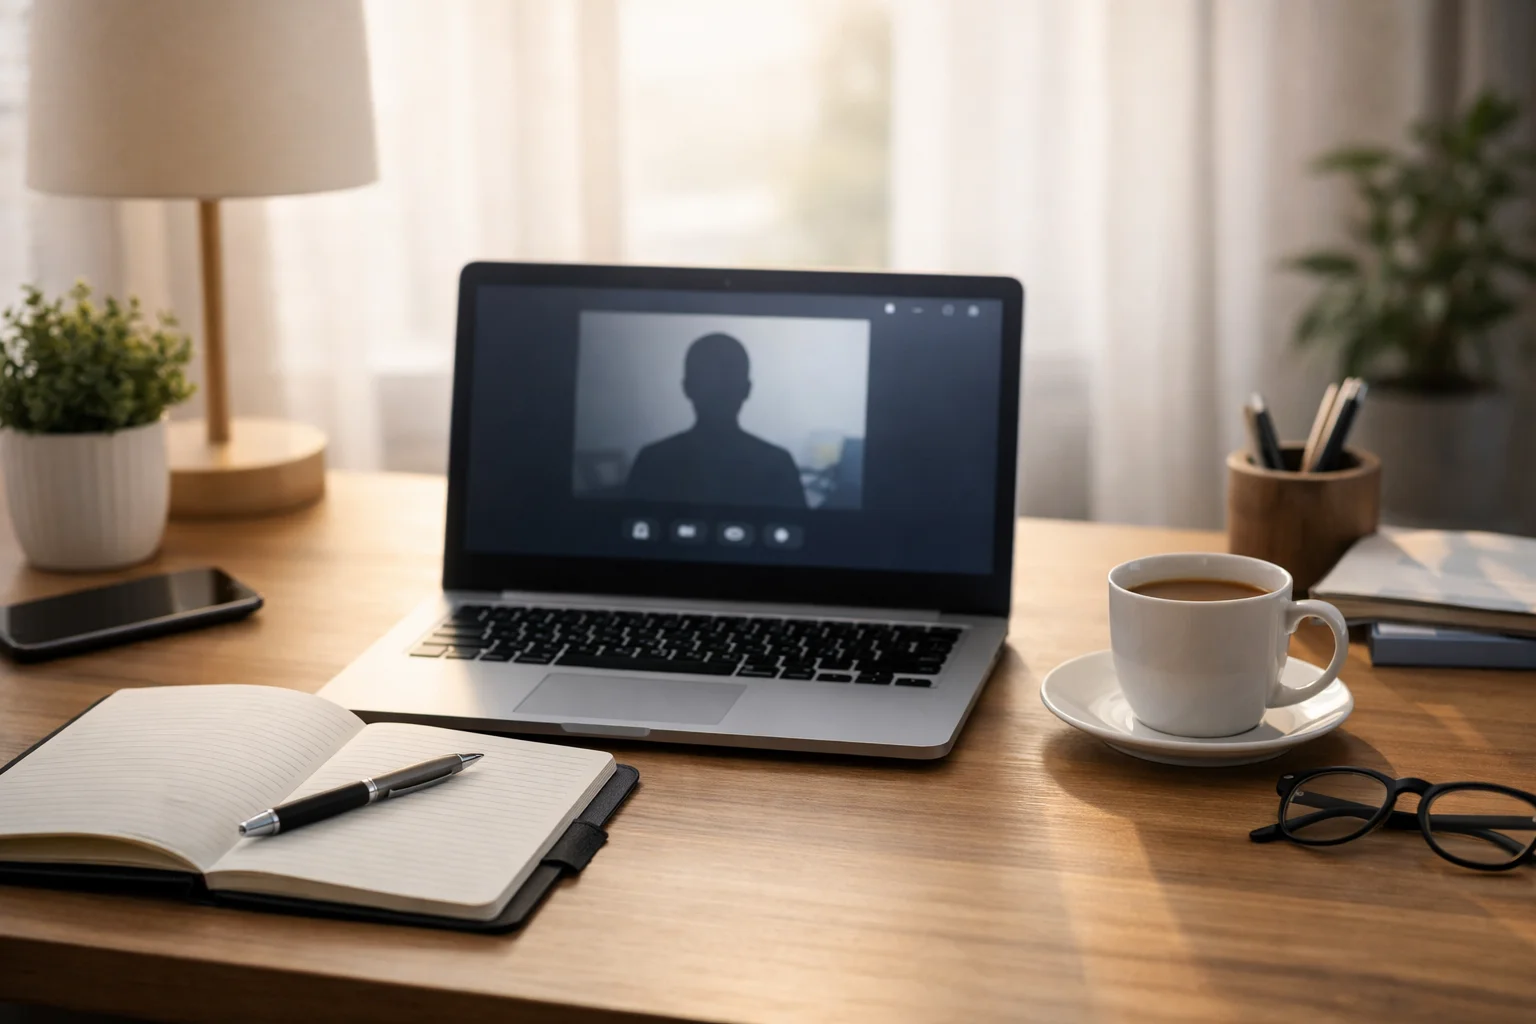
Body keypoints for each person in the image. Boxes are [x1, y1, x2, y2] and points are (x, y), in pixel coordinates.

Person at [626, 333, 807, 507]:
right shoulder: (776, 463)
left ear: (687, 387)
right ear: (746, 389)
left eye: (725, 379)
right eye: (711, 380)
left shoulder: (654, 460)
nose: (718, 390)